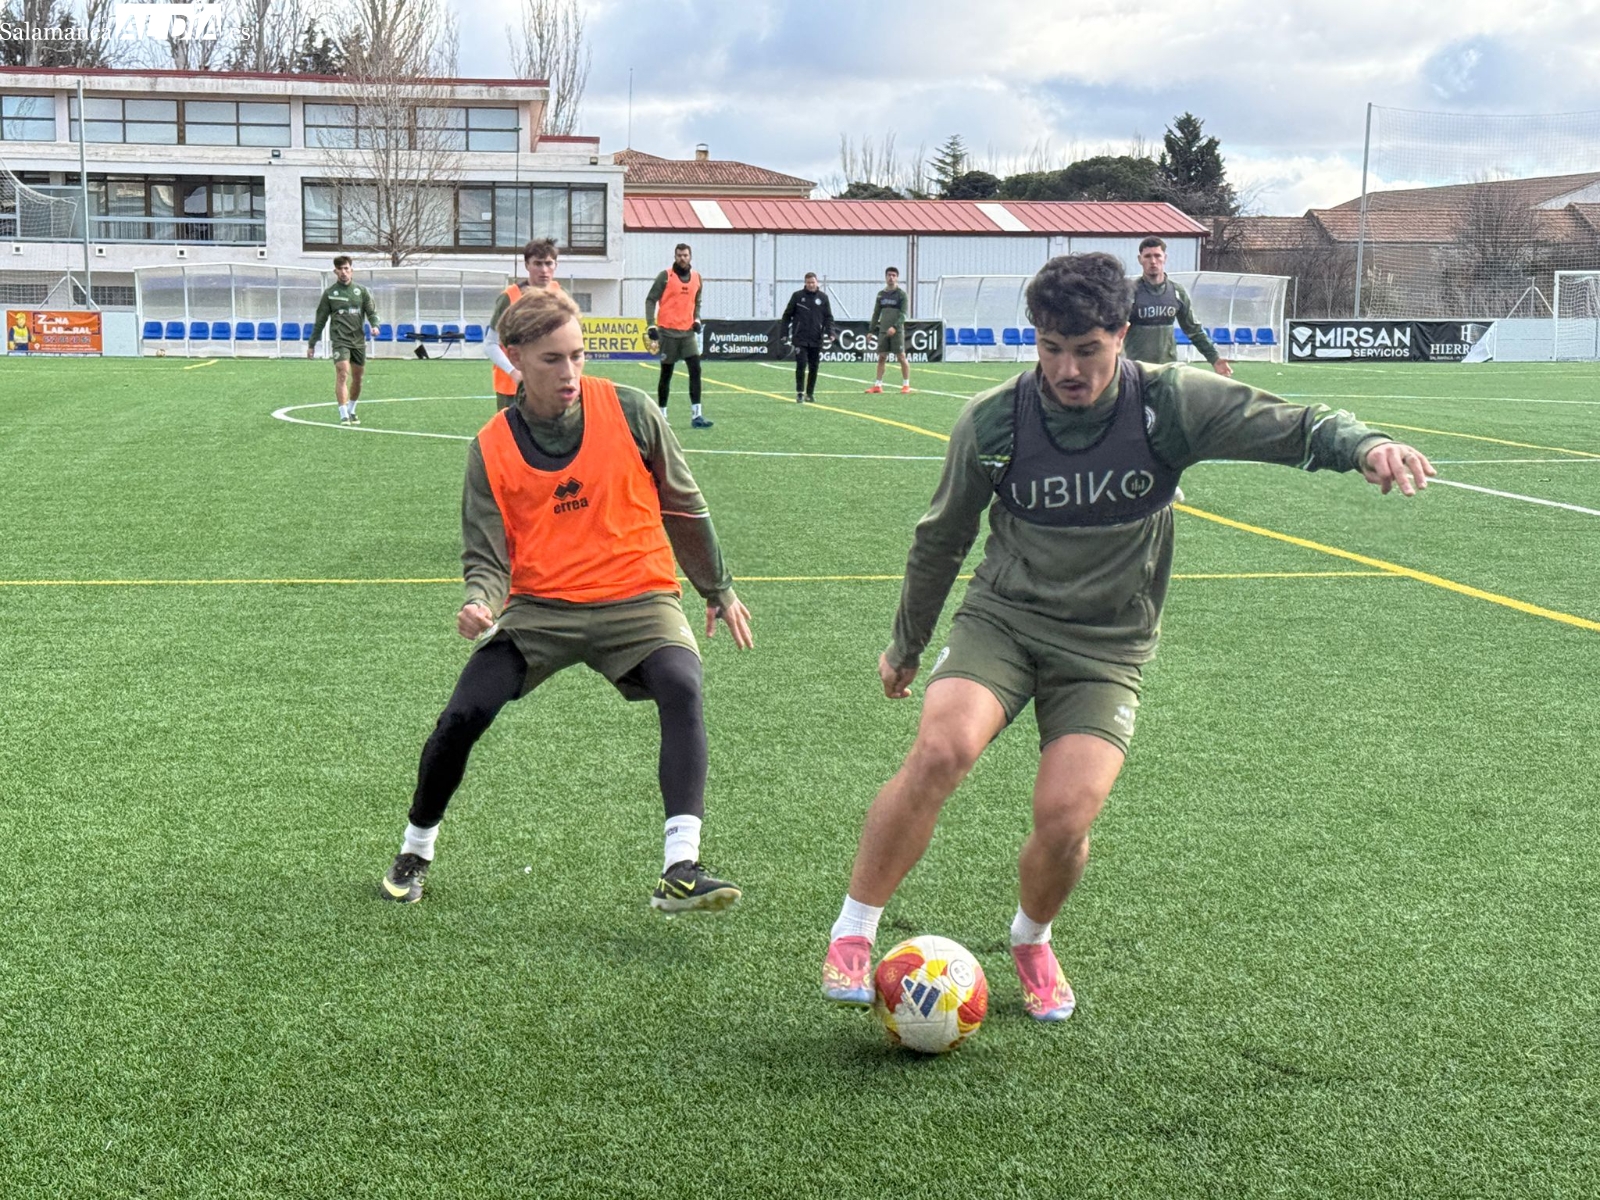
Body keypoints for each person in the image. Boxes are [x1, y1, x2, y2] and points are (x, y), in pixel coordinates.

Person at [820, 253, 1434, 1020]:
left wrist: (1366, 446)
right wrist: (906, 645)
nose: (1067, 369)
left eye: (1087, 350)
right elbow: (940, 540)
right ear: (1034, 338)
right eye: (1050, 349)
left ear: (1120, 335)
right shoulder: (994, 419)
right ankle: (855, 927)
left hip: (1107, 647)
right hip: (1002, 622)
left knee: (1068, 815)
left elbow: (1294, 424)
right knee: (942, 750)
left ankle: (1031, 939)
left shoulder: (1168, 404)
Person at [381, 287, 755, 911]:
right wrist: (480, 600)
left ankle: (681, 867)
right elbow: (486, 553)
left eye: (578, 356)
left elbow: (683, 504)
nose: (570, 372)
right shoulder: (491, 447)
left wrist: (717, 588)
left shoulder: (633, 410)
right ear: (514, 357)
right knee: (464, 713)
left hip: (638, 595)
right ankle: (415, 848)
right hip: (540, 611)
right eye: (553, 359)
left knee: (682, 683)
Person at [1125, 236, 1231, 375]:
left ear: (1165, 258)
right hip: (1136, 371)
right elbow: (1113, 332)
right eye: (1147, 256)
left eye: (1157, 255)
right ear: (1140, 259)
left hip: (1168, 370)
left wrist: (1214, 358)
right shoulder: (1129, 292)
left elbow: (1194, 330)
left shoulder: (1176, 292)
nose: (1153, 261)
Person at [485, 237, 563, 411]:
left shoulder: (560, 295)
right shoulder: (510, 298)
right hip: (513, 388)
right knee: (512, 436)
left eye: (549, 263)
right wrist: (513, 372)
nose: (544, 270)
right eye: (537, 263)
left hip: (548, 385)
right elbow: (490, 344)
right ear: (527, 265)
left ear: (555, 265)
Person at [645, 243, 712, 428]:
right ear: (675, 257)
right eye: (679, 255)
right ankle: (662, 416)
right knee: (667, 373)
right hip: (667, 332)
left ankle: (697, 415)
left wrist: (697, 319)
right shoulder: (665, 276)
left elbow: (697, 302)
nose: (682, 258)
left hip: (687, 333)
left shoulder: (697, 278)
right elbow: (650, 300)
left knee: (696, 370)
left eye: (685, 255)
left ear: (690, 257)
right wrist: (651, 324)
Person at [308, 255, 379, 425]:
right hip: (340, 340)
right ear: (335, 271)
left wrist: (375, 325)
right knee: (342, 372)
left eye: (346, 268)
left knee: (358, 378)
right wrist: (312, 344)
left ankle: (352, 410)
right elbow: (320, 321)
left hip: (358, 341)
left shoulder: (361, 292)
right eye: (340, 269)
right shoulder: (330, 294)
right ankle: (343, 414)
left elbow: (371, 312)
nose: (343, 272)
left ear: (351, 270)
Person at [780, 272, 836, 403]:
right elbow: (787, 315)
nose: (811, 285)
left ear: (817, 283)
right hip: (800, 337)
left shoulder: (823, 298)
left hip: (816, 338)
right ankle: (800, 392)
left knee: (814, 366)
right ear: (805, 283)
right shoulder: (798, 296)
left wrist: (830, 332)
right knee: (801, 364)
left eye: (813, 282)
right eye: (808, 282)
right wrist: (784, 333)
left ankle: (810, 393)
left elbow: (828, 317)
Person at [865, 267, 913, 394]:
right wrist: (871, 330)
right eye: (889, 275)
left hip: (897, 331)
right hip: (883, 330)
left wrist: (895, 327)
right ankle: (878, 385)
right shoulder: (881, 294)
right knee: (881, 357)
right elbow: (876, 313)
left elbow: (903, 314)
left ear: (897, 277)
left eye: (893, 275)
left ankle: (906, 385)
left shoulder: (901, 294)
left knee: (901, 356)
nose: (891, 277)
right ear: (885, 277)